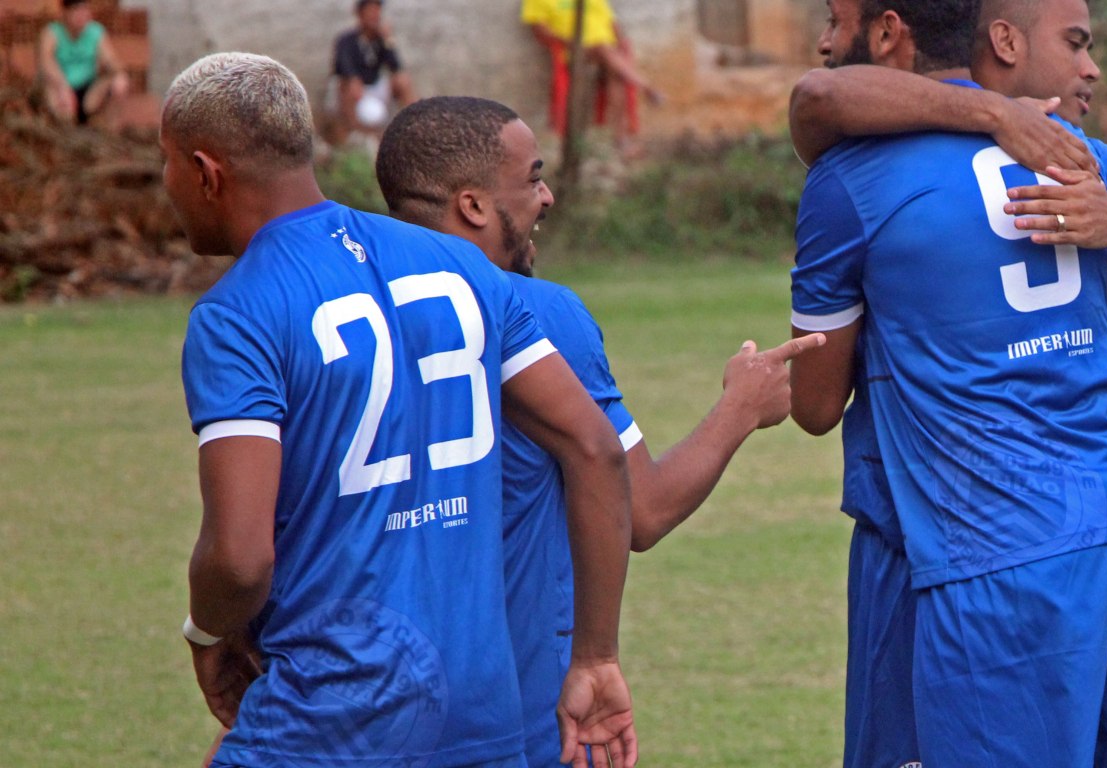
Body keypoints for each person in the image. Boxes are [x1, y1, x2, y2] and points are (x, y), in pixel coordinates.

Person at [788, 1, 1107, 765]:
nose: (824, 43)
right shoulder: (1075, 153)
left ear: (890, 30)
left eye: (836, 21)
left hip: (980, 546)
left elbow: (814, 404)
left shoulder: (851, 181)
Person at [163, 53, 637, 768]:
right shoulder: (461, 266)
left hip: (335, 713)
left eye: (165, 163)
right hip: (482, 713)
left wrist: (208, 631)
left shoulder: (238, 314)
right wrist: (596, 658)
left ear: (205, 171)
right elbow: (596, 448)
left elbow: (239, 558)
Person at [371, 94, 824, 766]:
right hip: (520, 707)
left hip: (367, 707)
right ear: (472, 206)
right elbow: (642, 507)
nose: (547, 197)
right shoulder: (539, 314)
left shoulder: (341, 315)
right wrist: (743, 406)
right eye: (532, 179)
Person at [521, 0, 661, 155]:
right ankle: (646, 88)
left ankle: (621, 138)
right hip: (573, 49)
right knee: (605, 52)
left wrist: (620, 43)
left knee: (615, 73)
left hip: (606, 47)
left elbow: (611, 22)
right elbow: (539, 30)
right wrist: (569, 41)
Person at [330, 0, 417, 146]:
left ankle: (413, 124)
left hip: (375, 87)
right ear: (360, 14)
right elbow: (342, 66)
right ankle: (353, 135)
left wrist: (388, 40)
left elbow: (396, 67)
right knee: (348, 86)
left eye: (376, 11)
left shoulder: (381, 40)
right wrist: (353, 79)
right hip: (355, 91)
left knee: (402, 80)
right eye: (369, 11)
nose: (373, 16)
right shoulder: (346, 40)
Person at [37, 0, 130, 126]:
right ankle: (65, 126)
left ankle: (111, 130)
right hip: (61, 89)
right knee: (54, 95)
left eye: (85, 9)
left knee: (120, 82)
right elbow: (46, 62)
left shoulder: (95, 31)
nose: (82, 15)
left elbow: (110, 59)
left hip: (89, 91)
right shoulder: (52, 32)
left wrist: (115, 69)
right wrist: (62, 86)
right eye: (77, 10)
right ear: (65, 12)